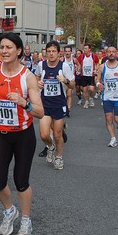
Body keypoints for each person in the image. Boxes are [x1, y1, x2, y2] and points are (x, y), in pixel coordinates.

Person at [0, 32, 44, 235]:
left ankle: (26, 220)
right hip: (1, 133)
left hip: (23, 135)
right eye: (1, 47)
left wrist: (23, 102)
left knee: (21, 180)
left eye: (9, 47)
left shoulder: (28, 77)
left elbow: (40, 111)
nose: (4, 51)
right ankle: (10, 211)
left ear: (18, 51)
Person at [37, 41, 75, 170]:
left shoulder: (64, 66)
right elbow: (36, 78)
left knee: (58, 134)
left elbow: (72, 85)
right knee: (44, 134)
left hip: (59, 104)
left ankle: (59, 158)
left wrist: (65, 80)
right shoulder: (41, 65)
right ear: (46, 53)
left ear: (59, 53)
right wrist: (38, 83)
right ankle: (50, 147)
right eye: (49, 51)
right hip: (45, 104)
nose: (51, 54)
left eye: (53, 51)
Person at [95, 46, 118, 147]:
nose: (111, 53)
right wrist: (99, 85)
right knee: (109, 118)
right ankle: (113, 138)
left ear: (116, 53)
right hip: (106, 97)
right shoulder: (102, 67)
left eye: (113, 52)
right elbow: (97, 79)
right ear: (106, 54)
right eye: (109, 52)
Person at [77, 44, 98, 108]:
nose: (85, 50)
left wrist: (96, 69)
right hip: (84, 75)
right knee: (85, 90)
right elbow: (78, 64)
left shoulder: (94, 56)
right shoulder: (82, 56)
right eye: (84, 48)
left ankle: (91, 98)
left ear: (89, 49)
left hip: (91, 75)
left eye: (86, 48)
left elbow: (97, 63)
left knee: (91, 89)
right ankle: (86, 101)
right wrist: (78, 70)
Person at [62, 46, 78, 117]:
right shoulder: (62, 59)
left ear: (71, 52)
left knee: (69, 94)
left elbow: (79, 65)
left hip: (71, 79)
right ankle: (64, 108)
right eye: (66, 51)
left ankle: (68, 109)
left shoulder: (74, 60)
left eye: (69, 51)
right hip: (64, 80)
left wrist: (78, 70)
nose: (67, 53)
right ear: (64, 52)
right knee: (64, 95)